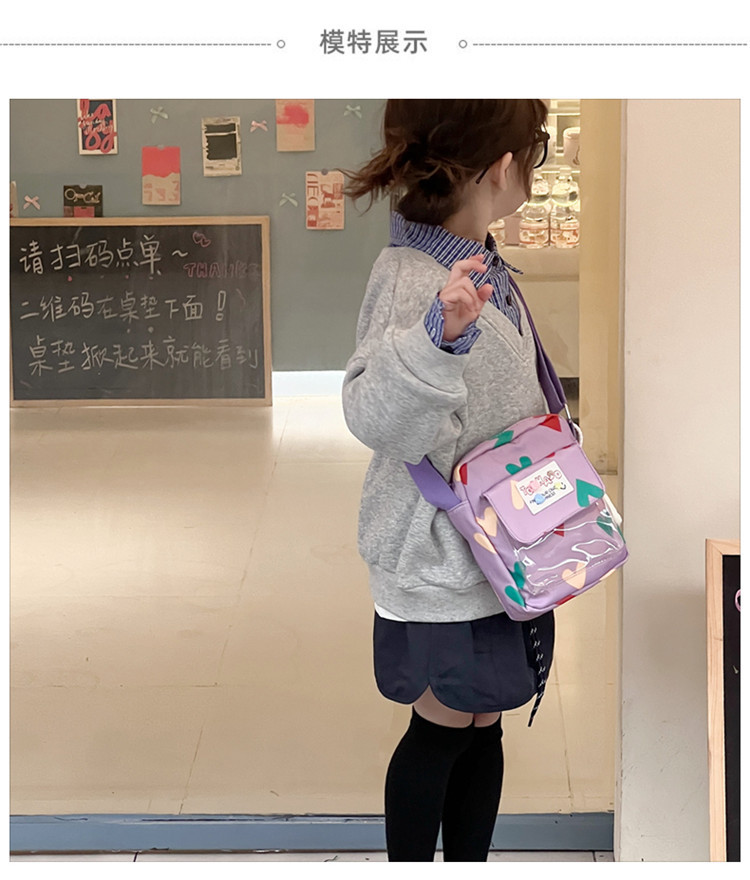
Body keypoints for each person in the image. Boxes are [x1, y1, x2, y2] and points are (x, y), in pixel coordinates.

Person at [340, 100, 556, 862]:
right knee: (440, 730)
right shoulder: (412, 278)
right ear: (502, 167)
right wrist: (437, 341)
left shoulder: (475, 258)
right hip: (440, 559)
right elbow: (373, 414)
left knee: (482, 724)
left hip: (496, 553)